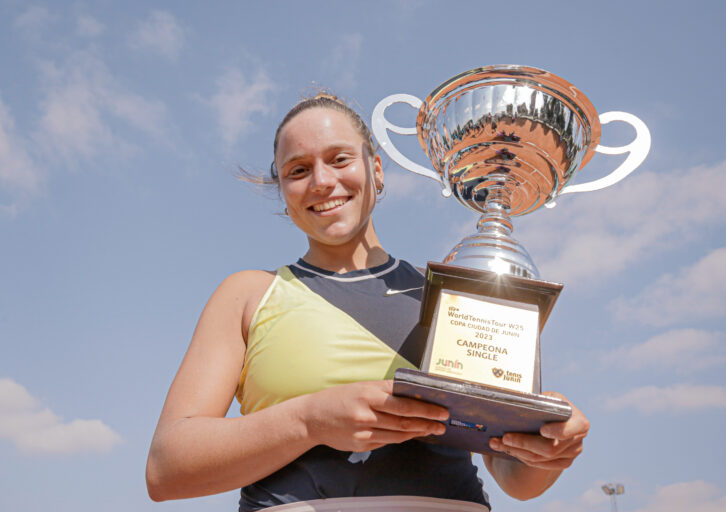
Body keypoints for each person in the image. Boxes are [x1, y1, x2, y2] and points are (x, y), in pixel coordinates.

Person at [146, 94, 590, 511]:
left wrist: (548, 447)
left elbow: (513, 474)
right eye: (297, 170)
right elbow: (167, 470)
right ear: (282, 191)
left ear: (376, 169)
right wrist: (310, 420)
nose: (322, 181)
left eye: (339, 159)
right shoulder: (247, 294)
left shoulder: (451, 294)